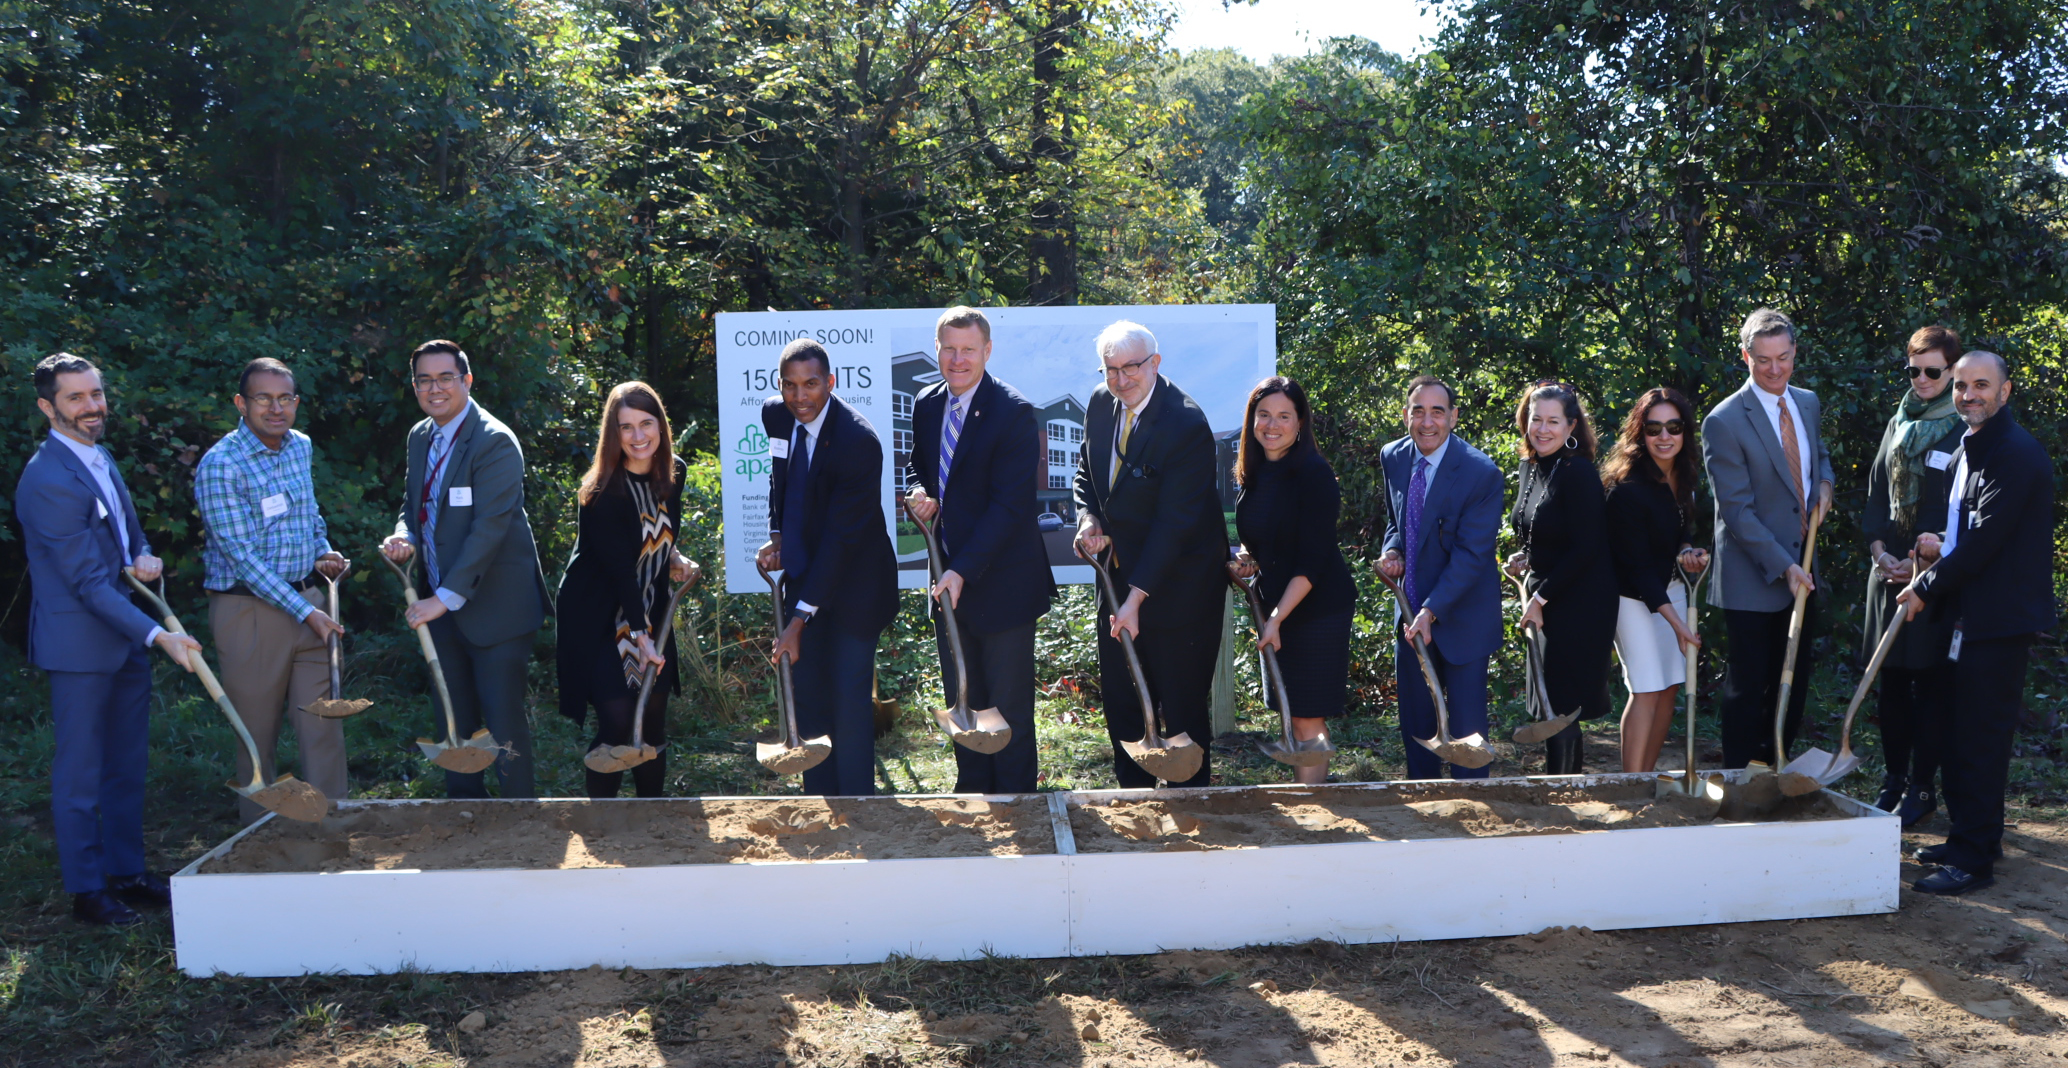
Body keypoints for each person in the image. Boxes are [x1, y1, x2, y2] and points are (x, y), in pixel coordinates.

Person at [17, 353, 201, 926]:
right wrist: (157, 634)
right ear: (49, 407)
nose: (92, 406)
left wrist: (142, 557)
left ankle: (126, 871)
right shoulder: (47, 478)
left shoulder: (98, 456)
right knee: (80, 774)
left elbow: (125, 533)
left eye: (95, 394)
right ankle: (87, 890)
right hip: (81, 647)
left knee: (126, 764)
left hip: (122, 637)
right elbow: (88, 582)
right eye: (76, 398)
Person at [1899, 351, 2055, 896]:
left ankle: (1973, 860)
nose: (1969, 394)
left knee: (1981, 738)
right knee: (1957, 727)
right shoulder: (1973, 446)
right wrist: (1936, 553)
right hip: (1969, 612)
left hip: (1999, 618)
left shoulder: (2014, 454)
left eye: (1981, 385)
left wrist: (1923, 587)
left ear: (2005, 391)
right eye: (1962, 386)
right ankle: (1972, 837)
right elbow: (1965, 537)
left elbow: (1986, 545)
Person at [380, 340, 551, 799]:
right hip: (441, 607)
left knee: (502, 724)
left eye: (445, 378)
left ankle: (520, 821)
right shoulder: (421, 437)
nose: (434, 388)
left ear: (467, 381)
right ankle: (465, 821)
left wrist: (442, 598)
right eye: (424, 380)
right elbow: (413, 503)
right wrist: (405, 535)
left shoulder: (494, 441)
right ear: (415, 386)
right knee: (452, 721)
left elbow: (488, 530)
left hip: (497, 609)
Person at [903, 307, 1055, 794]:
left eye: (968, 349)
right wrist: (918, 492)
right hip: (949, 581)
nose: (957, 358)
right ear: (937, 349)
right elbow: (919, 468)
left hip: (1004, 583)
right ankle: (973, 797)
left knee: (1007, 710)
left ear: (987, 351)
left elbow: (1010, 508)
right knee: (964, 699)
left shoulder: (1013, 412)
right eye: (948, 348)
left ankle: (1016, 805)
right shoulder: (927, 404)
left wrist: (962, 570)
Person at [193, 357, 352, 823]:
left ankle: (331, 830)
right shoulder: (221, 465)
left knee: (323, 725)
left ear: (296, 404)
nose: (275, 408)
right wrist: (307, 613)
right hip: (250, 613)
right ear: (242, 403)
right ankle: (260, 847)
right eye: (263, 398)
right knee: (256, 734)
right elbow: (241, 558)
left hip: (310, 602)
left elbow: (309, 515)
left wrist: (324, 551)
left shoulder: (299, 446)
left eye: (285, 399)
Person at [1071, 321, 1227, 788]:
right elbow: (1086, 472)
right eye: (1111, 369)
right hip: (1119, 577)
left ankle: (1191, 814)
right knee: (1123, 701)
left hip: (1181, 588)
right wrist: (1088, 519)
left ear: (1155, 364)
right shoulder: (1101, 404)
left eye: (1131, 368)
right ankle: (1133, 805)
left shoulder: (1186, 423)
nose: (1121, 380)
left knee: (1180, 711)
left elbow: (1174, 525)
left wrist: (1137, 599)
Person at [755, 339, 898, 797]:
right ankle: (821, 801)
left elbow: (840, 542)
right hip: (807, 572)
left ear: (831, 383)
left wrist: (797, 620)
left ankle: (858, 806)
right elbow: (781, 478)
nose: (801, 396)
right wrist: (778, 535)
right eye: (791, 385)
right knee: (810, 695)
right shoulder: (776, 415)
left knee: (848, 700)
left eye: (812, 384)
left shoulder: (859, 443)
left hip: (858, 584)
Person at [1701, 308, 1833, 769]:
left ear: (1795, 352)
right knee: (1749, 683)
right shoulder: (1724, 421)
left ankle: (1776, 768)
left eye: (1783, 357)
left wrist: (1826, 486)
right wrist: (1784, 567)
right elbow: (1737, 513)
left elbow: (1818, 456)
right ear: (1745, 357)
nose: (1774, 369)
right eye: (1763, 360)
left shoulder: (1808, 402)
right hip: (1754, 576)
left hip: (1804, 562)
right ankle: (1739, 778)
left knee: (1792, 678)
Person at [556, 382, 701, 799]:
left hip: (648, 606)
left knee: (653, 714)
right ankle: (603, 817)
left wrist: (673, 558)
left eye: (646, 423)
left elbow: (658, 533)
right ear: (612, 434)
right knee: (619, 717)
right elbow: (619, 570)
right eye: (625, 427)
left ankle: (651, 815)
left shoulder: (673, 472)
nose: (638, 437)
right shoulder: (602, 492)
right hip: (599, 615)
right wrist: (641, 638)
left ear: (660, 425)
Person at [1860, 325, 1965, 826]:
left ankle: (1923, 789)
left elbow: (1956, 509)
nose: (1921, 379)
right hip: (1888, 574)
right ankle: (1894, 781)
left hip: (1934, 577)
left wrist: (1921, 562)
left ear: (1952, 372)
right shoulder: (1899, 420)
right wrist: (1881, 550)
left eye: (1933, 371)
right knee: (1893, 685)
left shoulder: (1963, 429)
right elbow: (1878, 490)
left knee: (1930, 686)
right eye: (1914, 369)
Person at [1376, 376, 1504, 780]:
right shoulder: (1393, 457)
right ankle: (1427, 812)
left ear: (1453, 417)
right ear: (1405, 415)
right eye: (1418, 410)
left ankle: (1476, 816)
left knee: (1467, 740)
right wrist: (1392, 550)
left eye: (1437, 411)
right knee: (1417, 730)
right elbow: (1398, 521)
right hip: (1409, 614)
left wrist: (1431, 610)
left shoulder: (1480, 472)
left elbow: (1472, 554)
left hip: (1462, 619)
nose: (1427, 421)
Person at [1229, 376, 1354, 785]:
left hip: (1315, 608)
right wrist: (1251, 559)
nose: (1272, 424)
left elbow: (1312, 561)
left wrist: (1277, 619)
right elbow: (1269, 540)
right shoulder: (1256, 471)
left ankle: (1313, 808)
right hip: (1277, 607)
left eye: (1284, 416)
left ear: (1300, 422)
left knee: (1305, 714)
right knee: (1292, 711)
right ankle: (1309, 801)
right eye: (1263, 415)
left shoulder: (1314, 474)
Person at [1503, 381, 1616, 775]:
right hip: (1549, 591)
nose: (1543, 429)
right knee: (1547, 699)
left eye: (1554, 421)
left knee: (1562, 705)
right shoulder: (1532, 466)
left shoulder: (1579, 473)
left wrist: (1540, 598)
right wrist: (1526, 557)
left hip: (1580, 600)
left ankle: (1565, 789)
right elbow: (1541, 528)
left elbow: (1586, 548)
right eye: (1536, 419)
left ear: (1571, 428)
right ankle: (1558, 786)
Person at [1601, 388, 1708, 772]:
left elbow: (1680, 531)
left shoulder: (1682, 476)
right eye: (1654, 428)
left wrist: (1687, 551)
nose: (1664, 437)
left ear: (1685, 432)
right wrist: (1679, 626)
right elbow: (1637, 569)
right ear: (1639, 434)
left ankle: (1645, 777)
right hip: (1632, 599)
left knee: (1669, 688)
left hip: (1671, 591)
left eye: (1673, 427)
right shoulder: (1625, 490)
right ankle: (1628, 786)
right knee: (1646, 688)